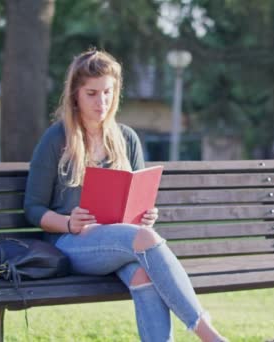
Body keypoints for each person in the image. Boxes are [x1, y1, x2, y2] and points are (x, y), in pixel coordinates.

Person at [24, 49, 228, 342]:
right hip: (70, 244)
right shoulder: (56, 139)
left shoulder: (126, 138)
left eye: (107, 92)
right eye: (92, 93)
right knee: (145, 240)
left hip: (121, 242)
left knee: (143, 274)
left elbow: (137, 195)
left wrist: (146, 214)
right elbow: (33, 208)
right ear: (75, 95)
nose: (101, 102)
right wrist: (69, 223)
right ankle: (209, 335)